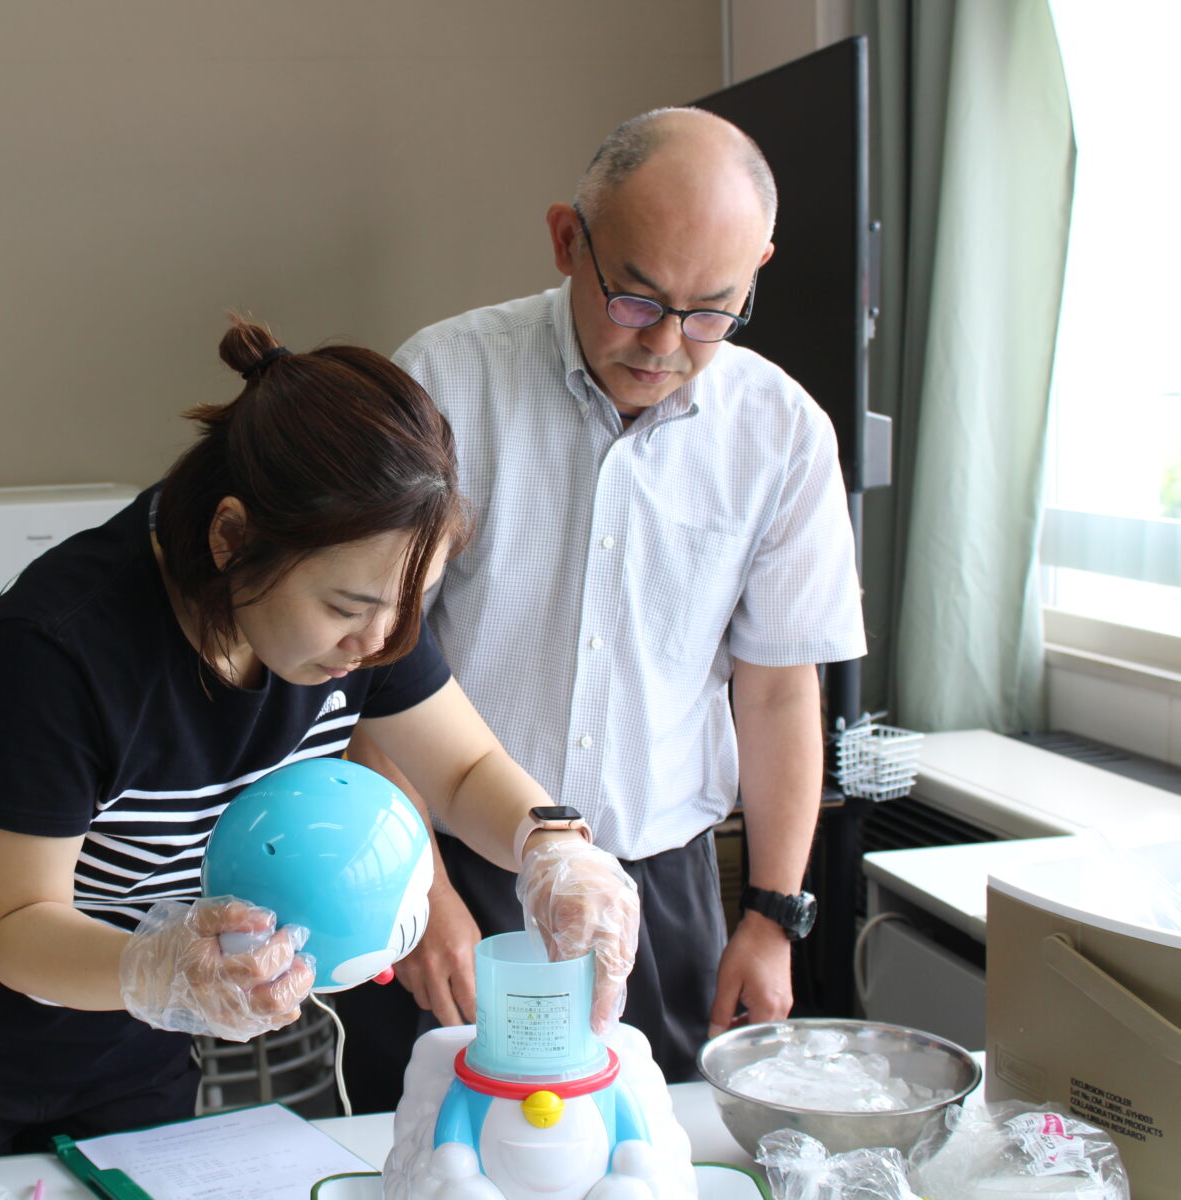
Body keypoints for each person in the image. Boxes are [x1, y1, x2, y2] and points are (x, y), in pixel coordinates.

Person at [0, 317, 642, 1162]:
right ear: (231, 538)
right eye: (350, 608)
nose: (381, 642)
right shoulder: (53, 651)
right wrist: (163, 973)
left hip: (137, 1039)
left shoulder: (366, 615)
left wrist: (554, 848)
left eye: (409, 603)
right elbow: (21, 926)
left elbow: (463, 772)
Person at [336, 107, 867, 1105]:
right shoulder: (443, 383)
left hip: (655, 878)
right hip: (446, 860)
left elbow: (778, 693)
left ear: (759, 267)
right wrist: (422, 894)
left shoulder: (783, 433)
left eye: (714, 310)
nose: (667, 344)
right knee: (426, 1150)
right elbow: (366, 668)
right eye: (636, 300)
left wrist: (771, 912)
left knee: (639, 1148)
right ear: (567, 239)